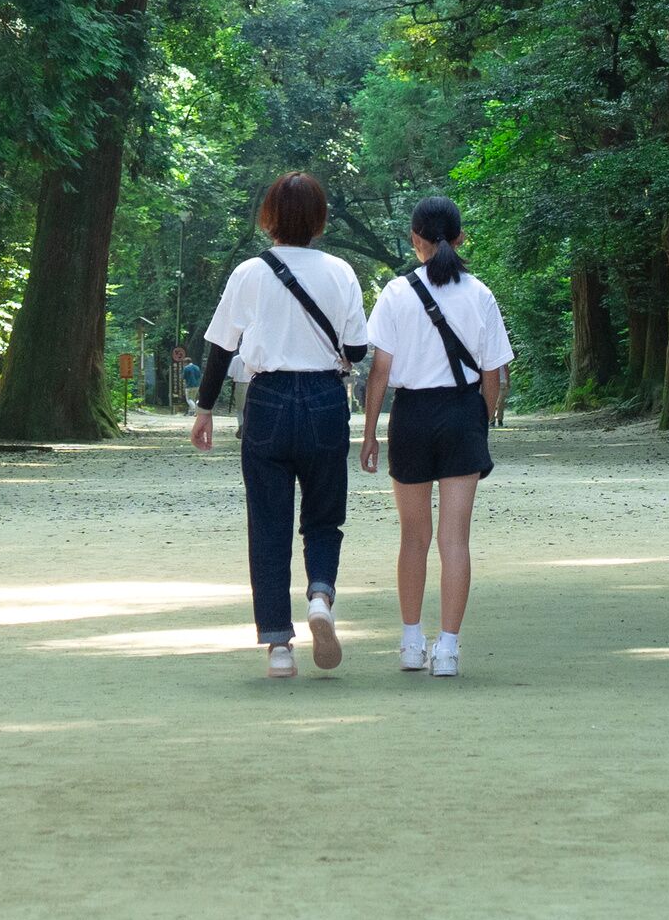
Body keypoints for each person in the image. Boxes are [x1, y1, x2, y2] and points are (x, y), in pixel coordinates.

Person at [189, 172, 368, 681]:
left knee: (267, 525)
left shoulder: (249, 272)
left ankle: (278, 645)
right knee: (324, 516)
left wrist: (205, 410)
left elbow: (221, 347)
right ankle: (320, 596)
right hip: (324, 399)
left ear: (269, 215)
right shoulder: (340, 271)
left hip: (266, 400)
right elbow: (356, 349)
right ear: (319, 218)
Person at [358, 194, 509, 678]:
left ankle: (409, 642)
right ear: (461, 238)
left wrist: (369, 434)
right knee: (455, 539)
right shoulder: (480, 294)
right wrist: (480, 423)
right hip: (463, 413)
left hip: (413, 416)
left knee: (413, 537)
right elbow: (493, 374)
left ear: (414, 239)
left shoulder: (396, 294)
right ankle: (447, 649)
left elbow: (379, 372)